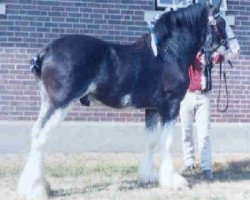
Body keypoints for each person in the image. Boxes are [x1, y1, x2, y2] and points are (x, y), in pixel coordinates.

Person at [180, 50, 223, 181]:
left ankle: (206, 167)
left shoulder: (208, 54)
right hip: (187, 95)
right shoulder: (187, 52)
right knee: (186, 131)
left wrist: (221, 49)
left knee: (204, 133)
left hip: (203, 96)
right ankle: (189, 163)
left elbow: (220, 57)